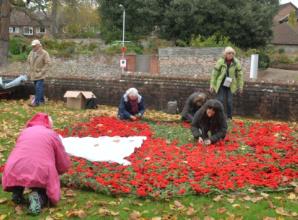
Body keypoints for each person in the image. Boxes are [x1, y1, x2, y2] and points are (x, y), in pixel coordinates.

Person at [2, 113, 70, 215]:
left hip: (14, 166)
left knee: (20, 175)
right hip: (39, 169)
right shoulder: (51, 134)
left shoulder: (24, 132)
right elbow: (61, 159)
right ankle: (38, 197)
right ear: (49, 125)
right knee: (41, 185)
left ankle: (17, 193)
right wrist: (62, 169)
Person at [210, 46, 244, 119]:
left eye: (232, 53)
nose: (231, 55)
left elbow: (240, 75)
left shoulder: (236, 62)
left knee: (229, 101)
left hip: (231, 84)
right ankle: (219, 116)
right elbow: (214, 74)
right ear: (225, 54)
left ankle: (229, 117)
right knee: (220, 100)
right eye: (229, 53)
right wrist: (212, 85)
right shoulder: (220, 61)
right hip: (221, 83)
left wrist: (240, 86)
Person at [27, 39, 51, 107]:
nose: (33, 47)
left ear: (38, 45)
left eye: (34, 46)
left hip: (40, 75)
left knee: (38, 88)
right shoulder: (31, 52)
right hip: (33, 74)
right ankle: (42, 100)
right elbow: (28, 60)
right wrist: (30, 69)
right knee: (39, 88)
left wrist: (42, 71)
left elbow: (48, 63)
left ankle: (36, 103)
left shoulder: (44, 53)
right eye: (32, 46)